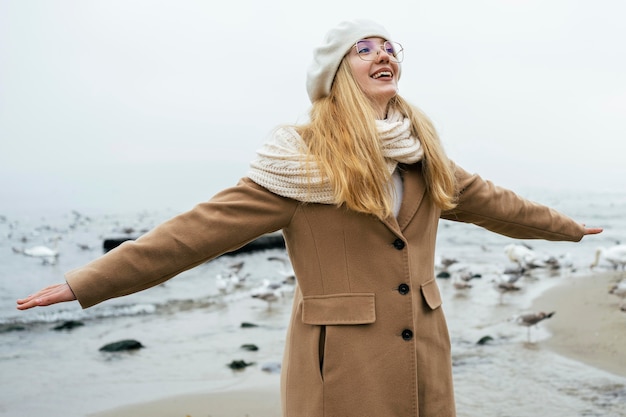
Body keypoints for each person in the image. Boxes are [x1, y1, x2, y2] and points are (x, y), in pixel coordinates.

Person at [16, 19, 602, 417]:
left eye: (390, 47)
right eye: (365, 48)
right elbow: (193, 234)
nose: (385, 55)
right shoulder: (299, 163)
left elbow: (502, 206)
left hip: (425, 352)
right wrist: (82, 282)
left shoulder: (425, 156)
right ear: (336, 74)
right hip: (341, 364)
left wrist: (570, 228)